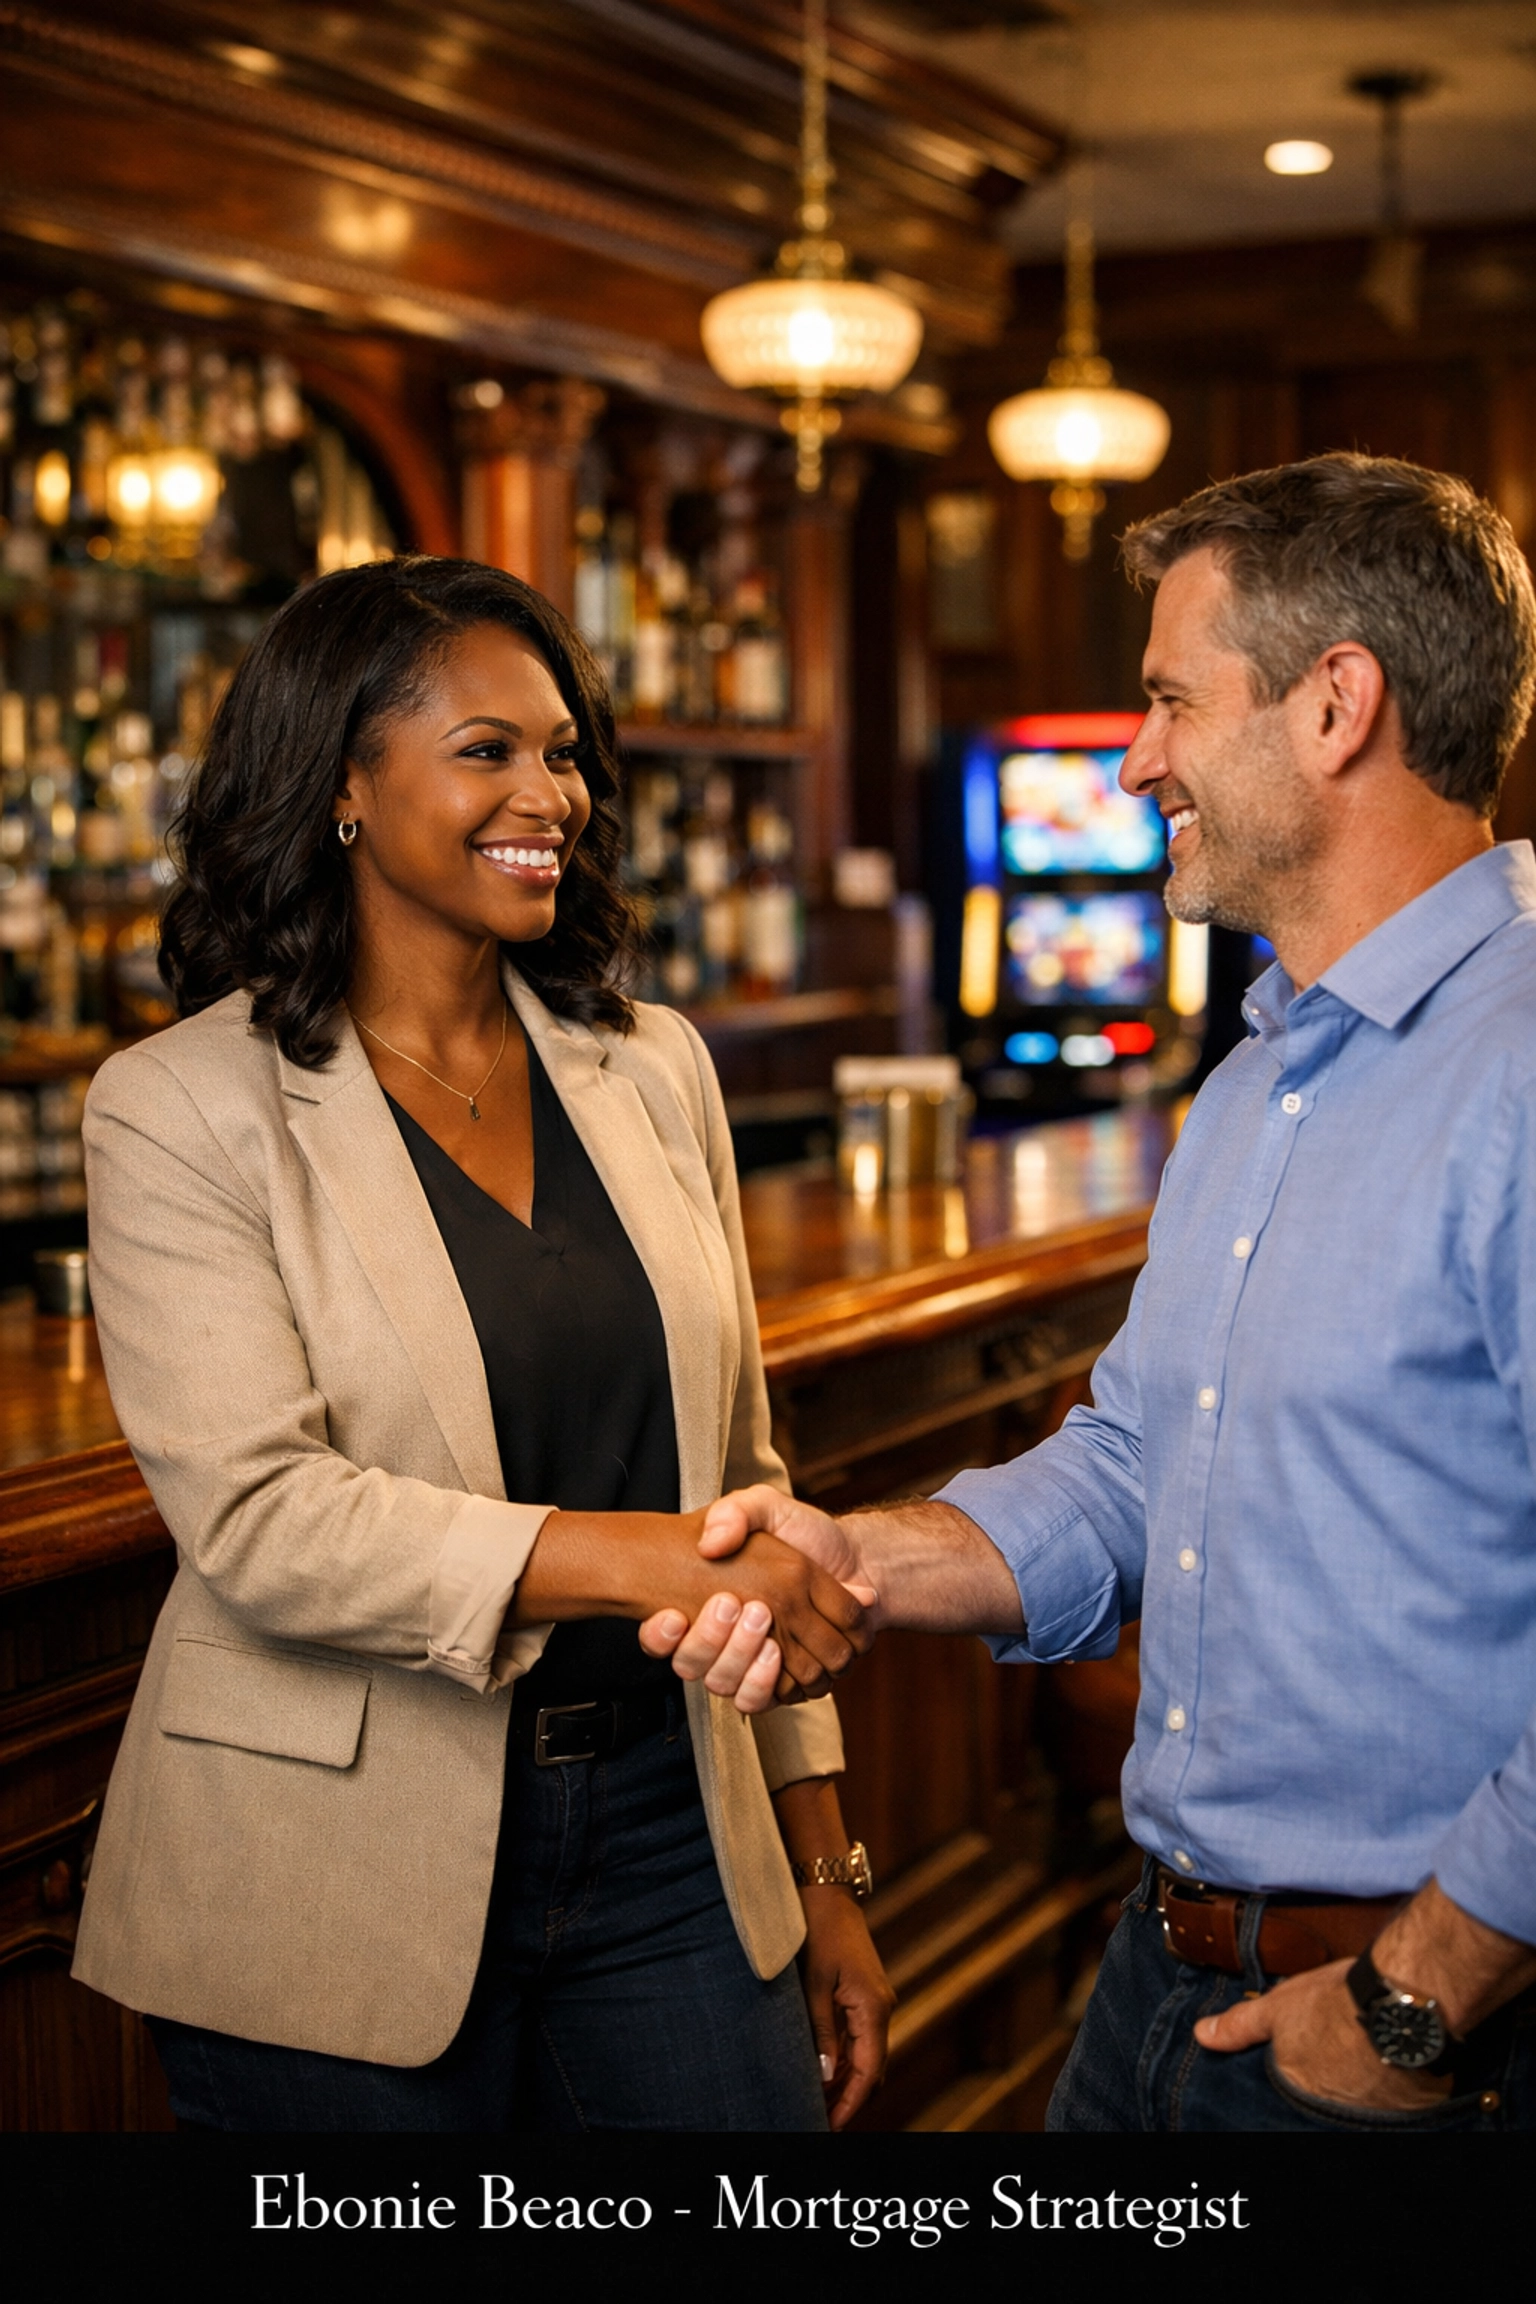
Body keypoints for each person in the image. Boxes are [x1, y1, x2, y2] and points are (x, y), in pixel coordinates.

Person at [651, 454, 1536, 2131]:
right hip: (1163, 1977)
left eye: (1166, 702)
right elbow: (1136, 1461)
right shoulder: (1265, 1071)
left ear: (1337, 704)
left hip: (1411, 2028)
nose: (1133, 761)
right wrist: (869, 1555)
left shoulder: (1520, 1068)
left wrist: (1413, 2007)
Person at [72, 555, 891, 2133]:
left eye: (565, 749)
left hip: (673, 1829)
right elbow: (259, 1521)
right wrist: (652, 1562)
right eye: (487, 751)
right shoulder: (179, 1106)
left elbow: (742, 1480)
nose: (552, 794)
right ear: (343, 789)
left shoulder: (652, 1067)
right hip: (328, 1868)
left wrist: (822, 1864)